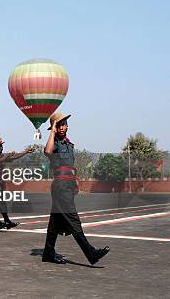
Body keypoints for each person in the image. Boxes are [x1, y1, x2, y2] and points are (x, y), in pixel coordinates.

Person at [42, 112, 110, 265]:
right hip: (60, 187)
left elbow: (70, 166)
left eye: (64, 124)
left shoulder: (68, 144)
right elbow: (47, 151)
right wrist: (52, 131)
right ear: (54, 127)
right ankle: (91, 253)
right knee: (73, 219)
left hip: (68, 184)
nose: (62, 127)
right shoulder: (54, 143)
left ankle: (48, 252)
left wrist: (75, 180)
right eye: (59, 125)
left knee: (55, 221)